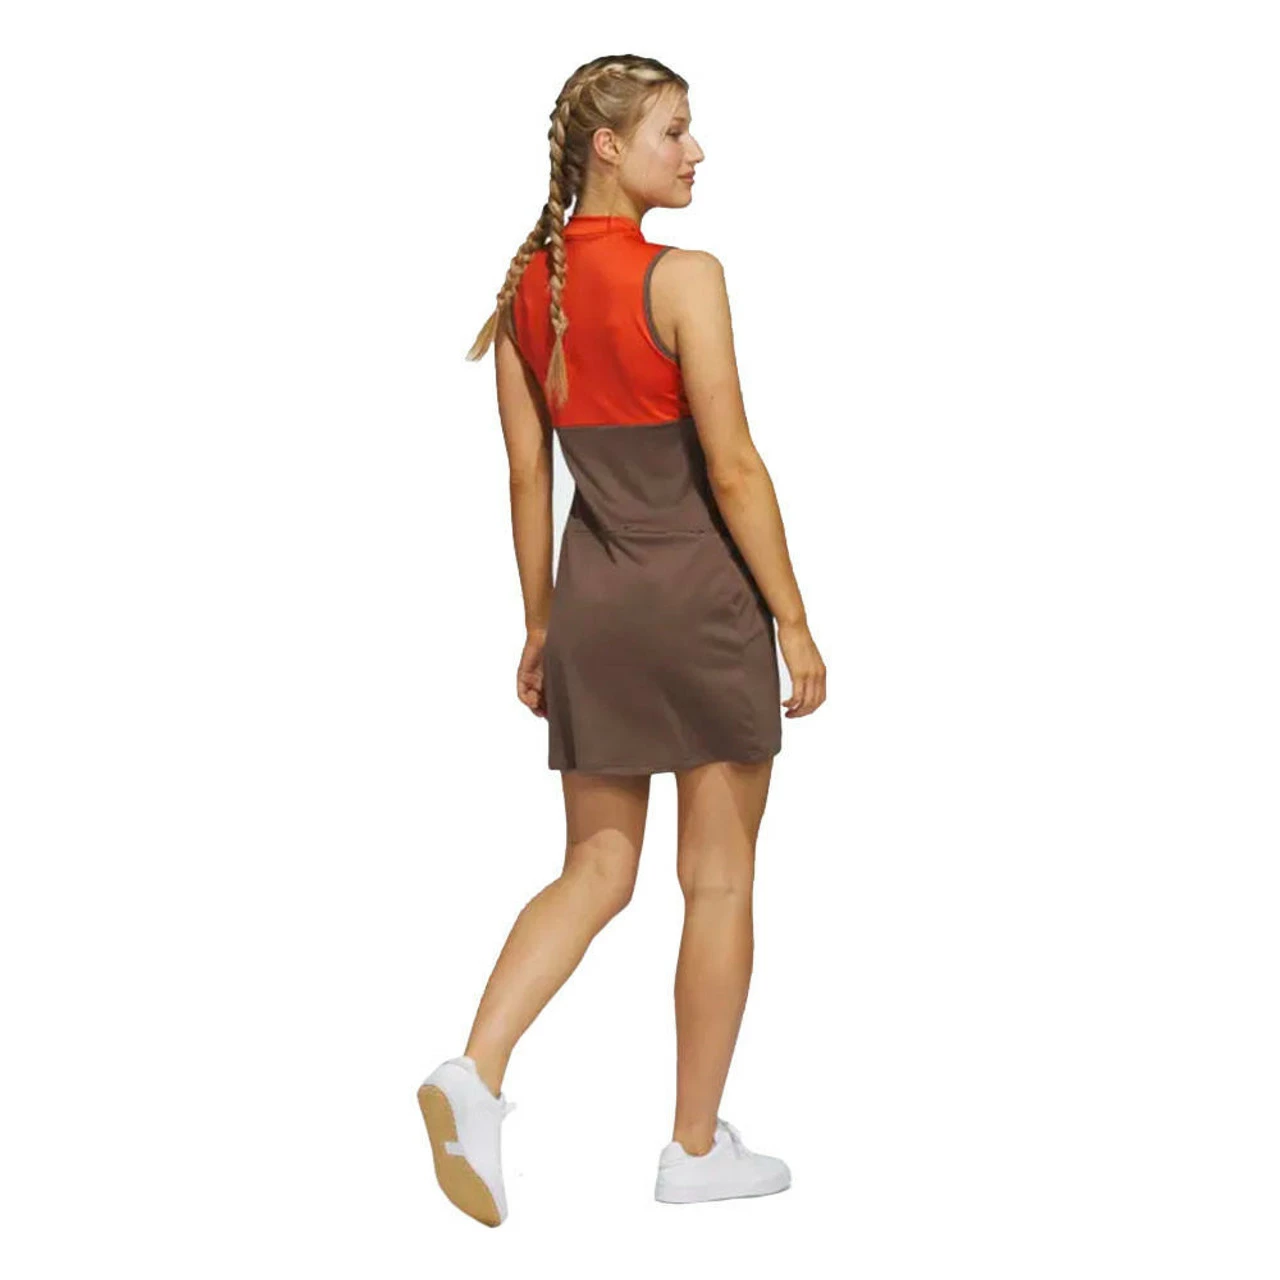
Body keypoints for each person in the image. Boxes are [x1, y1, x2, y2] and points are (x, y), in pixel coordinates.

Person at [417, 54, 826, 1227]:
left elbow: (524, 477)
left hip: (592, 605)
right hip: (698, 603)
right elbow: (732, 467)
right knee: (718, 877)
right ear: (608, 147)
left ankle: (475, 1070)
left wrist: (541, 623)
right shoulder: (683, 277)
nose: (694, 152)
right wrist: (792, 618)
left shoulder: (526, 291)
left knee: (596, 869)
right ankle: (693, 1148)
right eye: (672, 130)